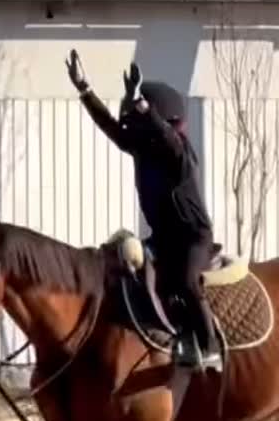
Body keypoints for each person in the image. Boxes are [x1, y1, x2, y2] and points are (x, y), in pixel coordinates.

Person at [65, 48, 222, 373]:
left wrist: (142, 106)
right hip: (163, 238)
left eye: (138, 121)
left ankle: (209, 348)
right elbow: (111, 127)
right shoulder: (143, 150)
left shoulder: (179, 155)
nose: (132, 128)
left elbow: (166, 137)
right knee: (121, 267)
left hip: (194, 239)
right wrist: (85, 90)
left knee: (187, 279)